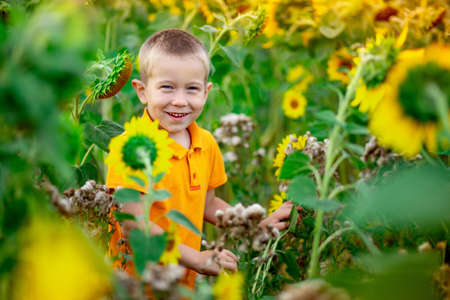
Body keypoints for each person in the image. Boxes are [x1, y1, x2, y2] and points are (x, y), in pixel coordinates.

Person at [106, 28, 298, 288]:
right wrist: (196, 258)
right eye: (167, 87)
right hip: (135, 285)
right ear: (142, 91)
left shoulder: (205, 143)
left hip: (182, 286)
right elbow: (133, 225)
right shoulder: (130, 148)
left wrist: (255, 226)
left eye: (192, 89)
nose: (180, 101)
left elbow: (208, 203)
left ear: (206, 92)